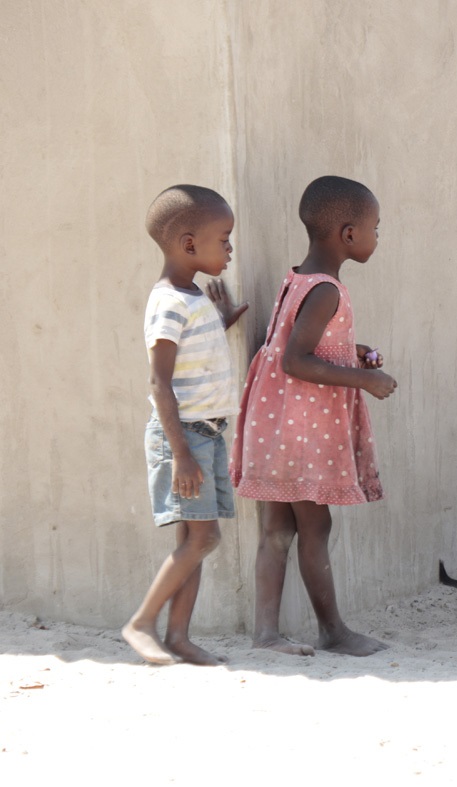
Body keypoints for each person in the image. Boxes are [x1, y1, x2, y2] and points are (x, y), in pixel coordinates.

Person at [230, 175, 397, 657]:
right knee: (316, 528)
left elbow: (299, 342)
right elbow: (295, 360)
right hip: (302, 430)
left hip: (276, 423)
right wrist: (363, 380)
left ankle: (266, 634)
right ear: (348, 234)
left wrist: (351, 352)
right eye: (375, 228)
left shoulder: (299, 278)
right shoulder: (327, 290)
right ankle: (333, 631)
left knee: (277, 530)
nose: (377, 236)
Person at [123, 185, 249, 666]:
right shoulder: (168, 302)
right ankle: (141, 623)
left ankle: (178, 636)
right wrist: (180, 453)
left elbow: (195, 354)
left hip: (207, 434)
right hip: (186, 438)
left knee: (193, 542)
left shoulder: (192, 297)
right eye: (225, 239)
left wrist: (223, 321)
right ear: (189, 244)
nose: (230, 249)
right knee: (204, 538)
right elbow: (160, 383)